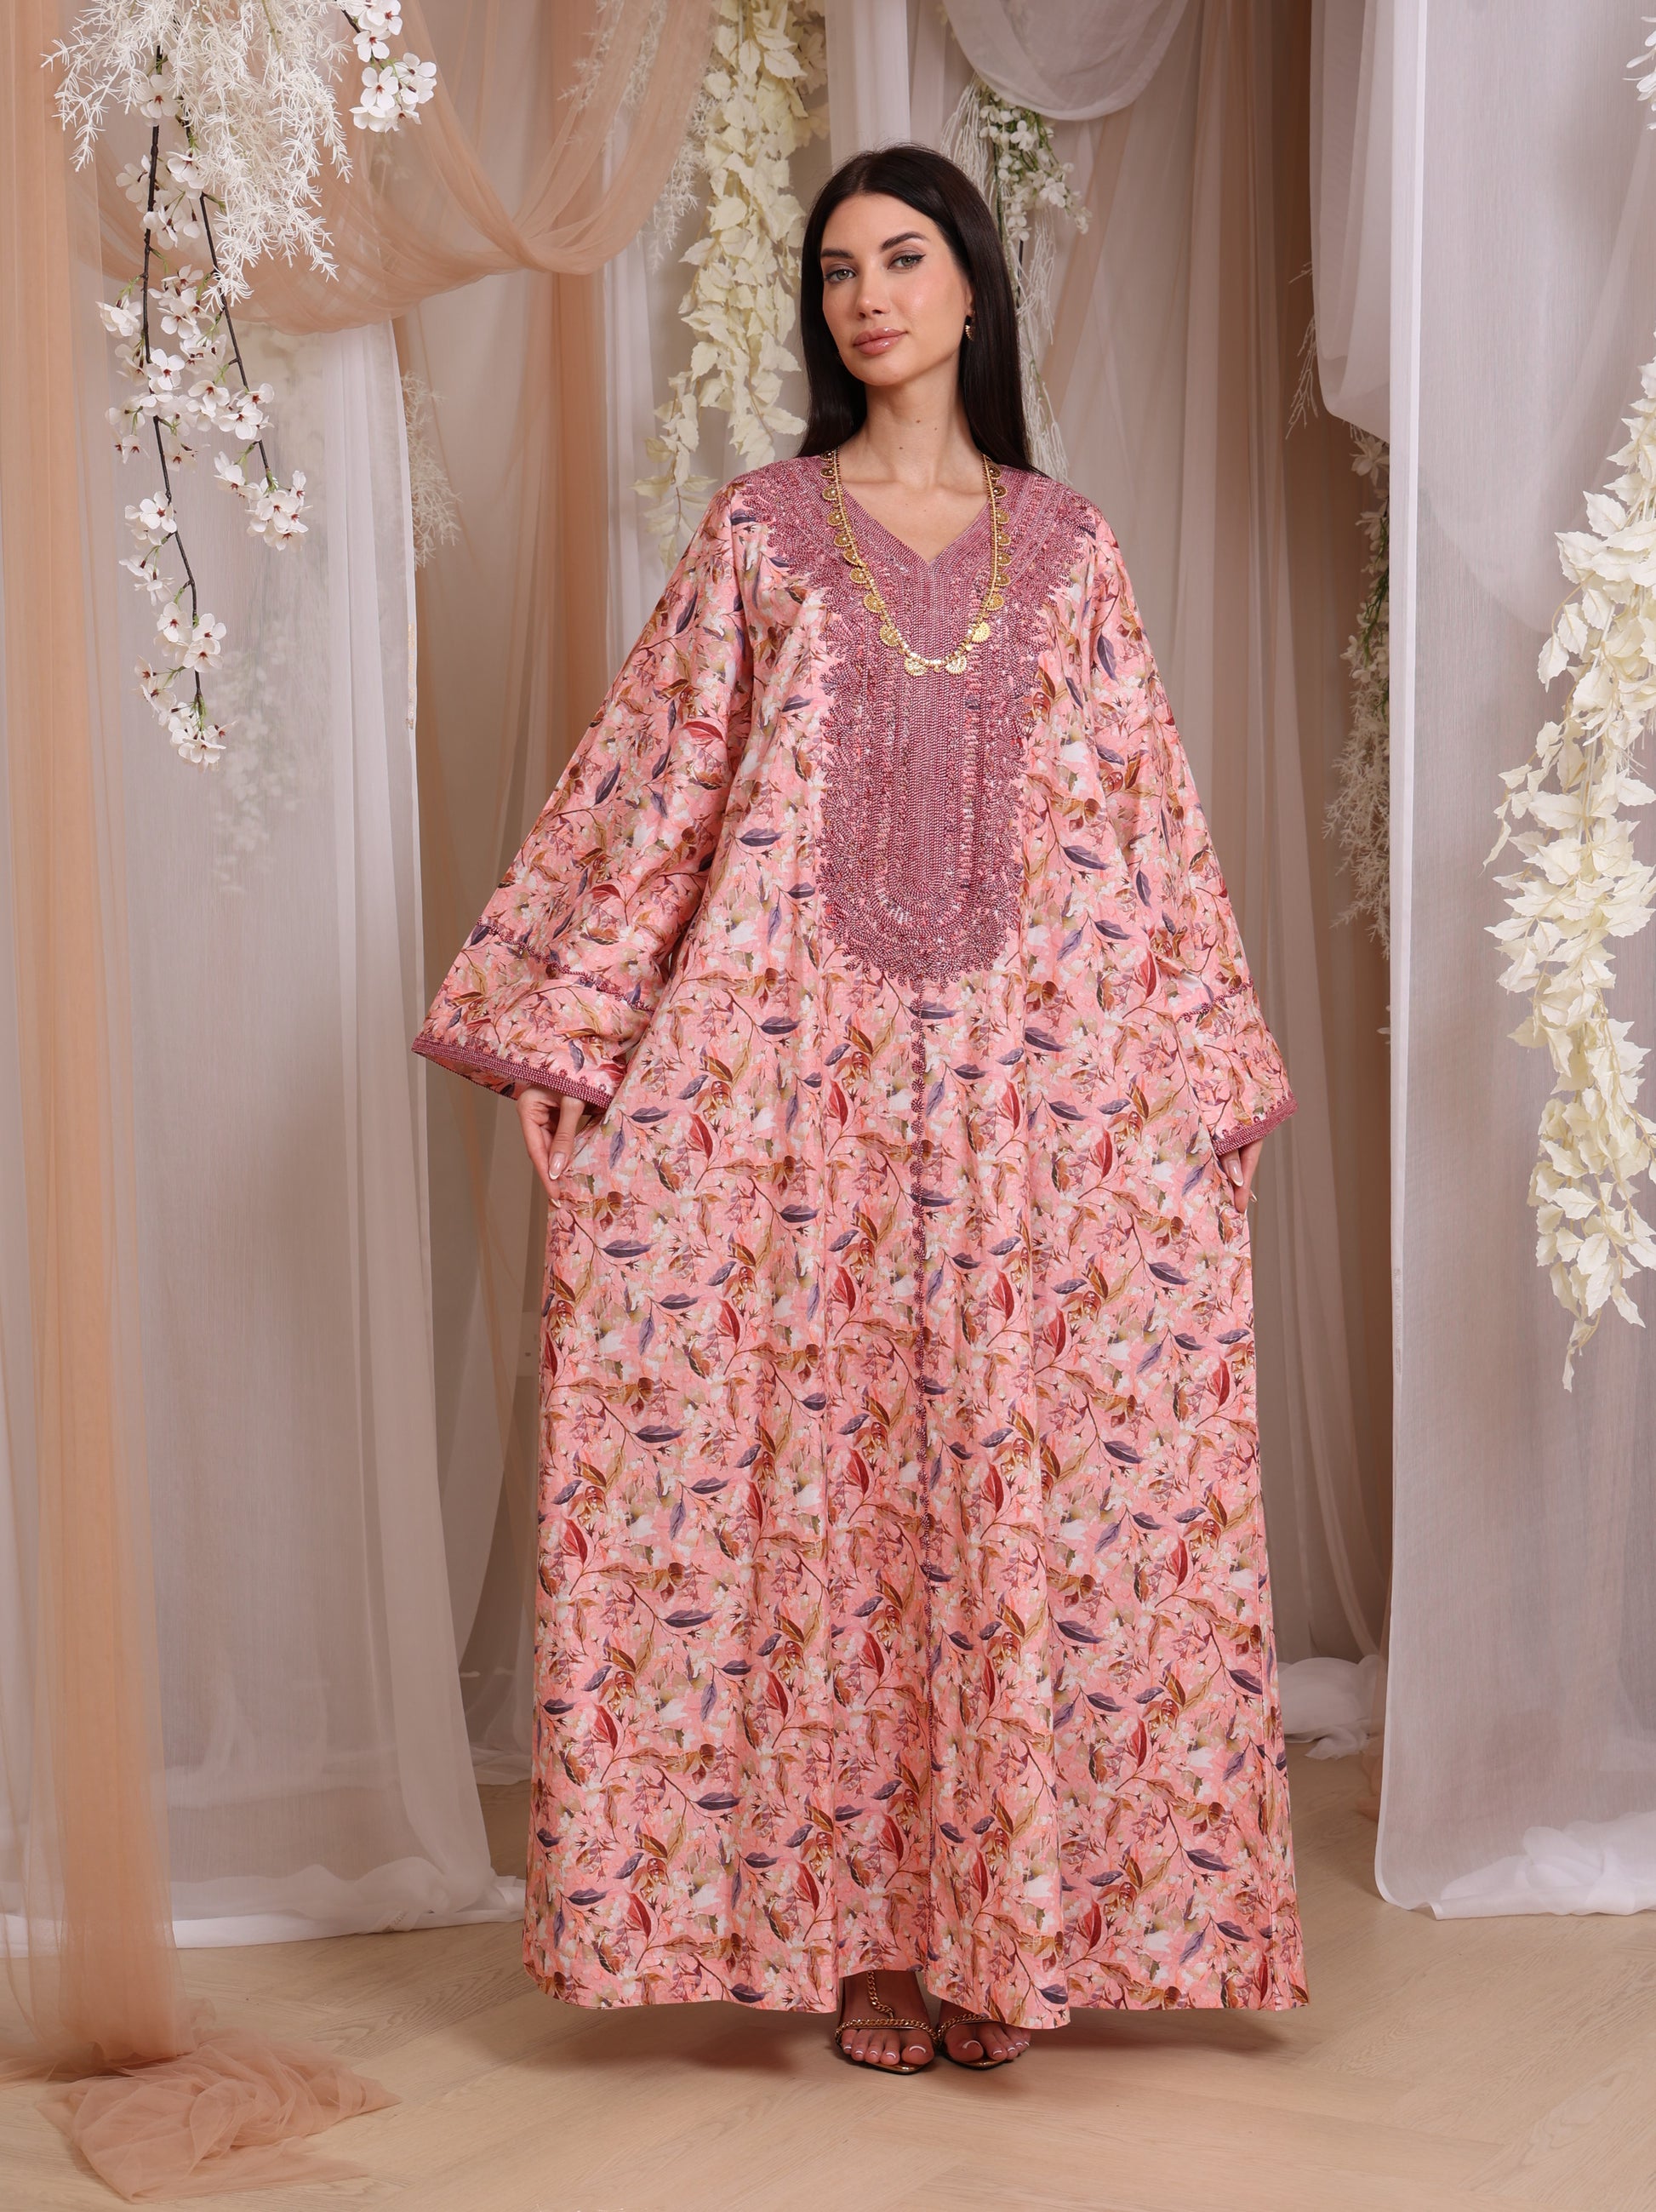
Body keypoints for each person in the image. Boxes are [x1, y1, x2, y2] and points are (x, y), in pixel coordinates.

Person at [414, 143, 1306, 2075]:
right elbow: (659, 784)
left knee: (1003, 1481)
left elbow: (1146, 818)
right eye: (835, 271)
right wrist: (571, 1037)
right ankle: (862, 1941)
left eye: (902, 259)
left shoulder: (1069, 546)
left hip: (1032, 1093)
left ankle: (1002, 1928)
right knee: (828, 1501)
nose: (868, 297)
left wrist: (1206, 1077)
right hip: (788, 1084)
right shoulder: (760, 531)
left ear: (973, 287)